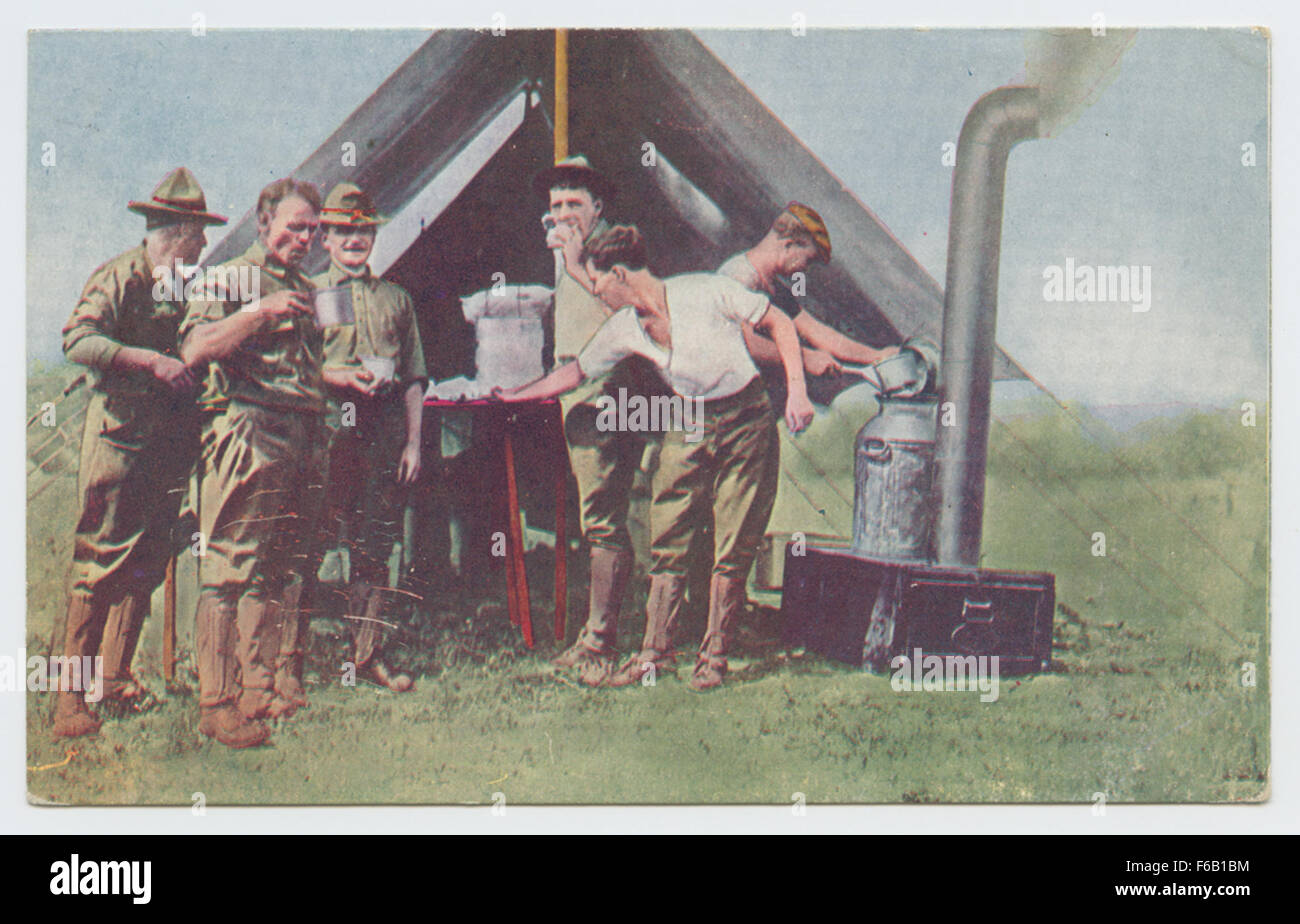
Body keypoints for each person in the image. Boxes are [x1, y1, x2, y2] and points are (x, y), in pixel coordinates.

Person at [498, 225, 814, 691]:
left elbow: (780, 324)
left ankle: (714, 658)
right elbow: (577, 370)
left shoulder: (705, 290)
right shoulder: (624, 327)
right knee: (667, 530)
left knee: (733, 540)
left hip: (746, 417)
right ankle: (654, 656)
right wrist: (516, 397)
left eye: (600, 284)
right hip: (688, 421)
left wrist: (799, 392)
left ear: (620, 274)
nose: (598, 293)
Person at [179, 178, 372, 748]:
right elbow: (195, 348)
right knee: (229, 568)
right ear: (264, 224)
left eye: (313, 229)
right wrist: (259, 312)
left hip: (305, 433)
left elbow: (302, 368)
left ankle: (257, 689)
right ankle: (215, 704)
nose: (306, 237)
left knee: (280, 567)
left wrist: (336, 377)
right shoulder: (232, 276)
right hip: (252, 431)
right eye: (295, 226)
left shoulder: (308, 286)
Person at [53, 167, 227, 738]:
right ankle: (70, 701)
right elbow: (78, 339)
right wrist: (149, 361)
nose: (202, 245)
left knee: (149, 560)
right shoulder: (119, 276)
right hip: (120, 445)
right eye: (197, 234)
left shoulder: (186, 286)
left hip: (169, 447)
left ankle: (117, 680)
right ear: (174, 231)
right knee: (100, 562)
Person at [534, 156, 669, 685]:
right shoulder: (573, 253)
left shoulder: (611, 252)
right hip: (580, 392)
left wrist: (575, 267)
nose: (563, 214)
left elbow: (633, 308)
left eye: (574, 205)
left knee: (604, 518)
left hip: (607, 395)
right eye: (555, 206)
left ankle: (599, 643)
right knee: (600, 515)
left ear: (598, 208)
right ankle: (599, 635)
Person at [312, 182, 427, 692]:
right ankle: (287, 662)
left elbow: (416, 378)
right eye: (344, 231)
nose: (354, 239)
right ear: (326, 239)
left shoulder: (396, 299)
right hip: (326, 431)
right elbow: (293, 367)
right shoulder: (314, 295)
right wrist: (333, 375)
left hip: (381, 433)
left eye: (363, 230)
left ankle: (366, 656)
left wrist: (414, 443)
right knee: (310, 541)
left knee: (375, 542)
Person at [721, 202, 898, 377]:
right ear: (789, 244)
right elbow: (744, 343)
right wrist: (807, 358)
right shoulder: (739, 276)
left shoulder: (771, 286)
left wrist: (876, 356)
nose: (805, 269)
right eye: (808, 260)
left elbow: (816, 331)